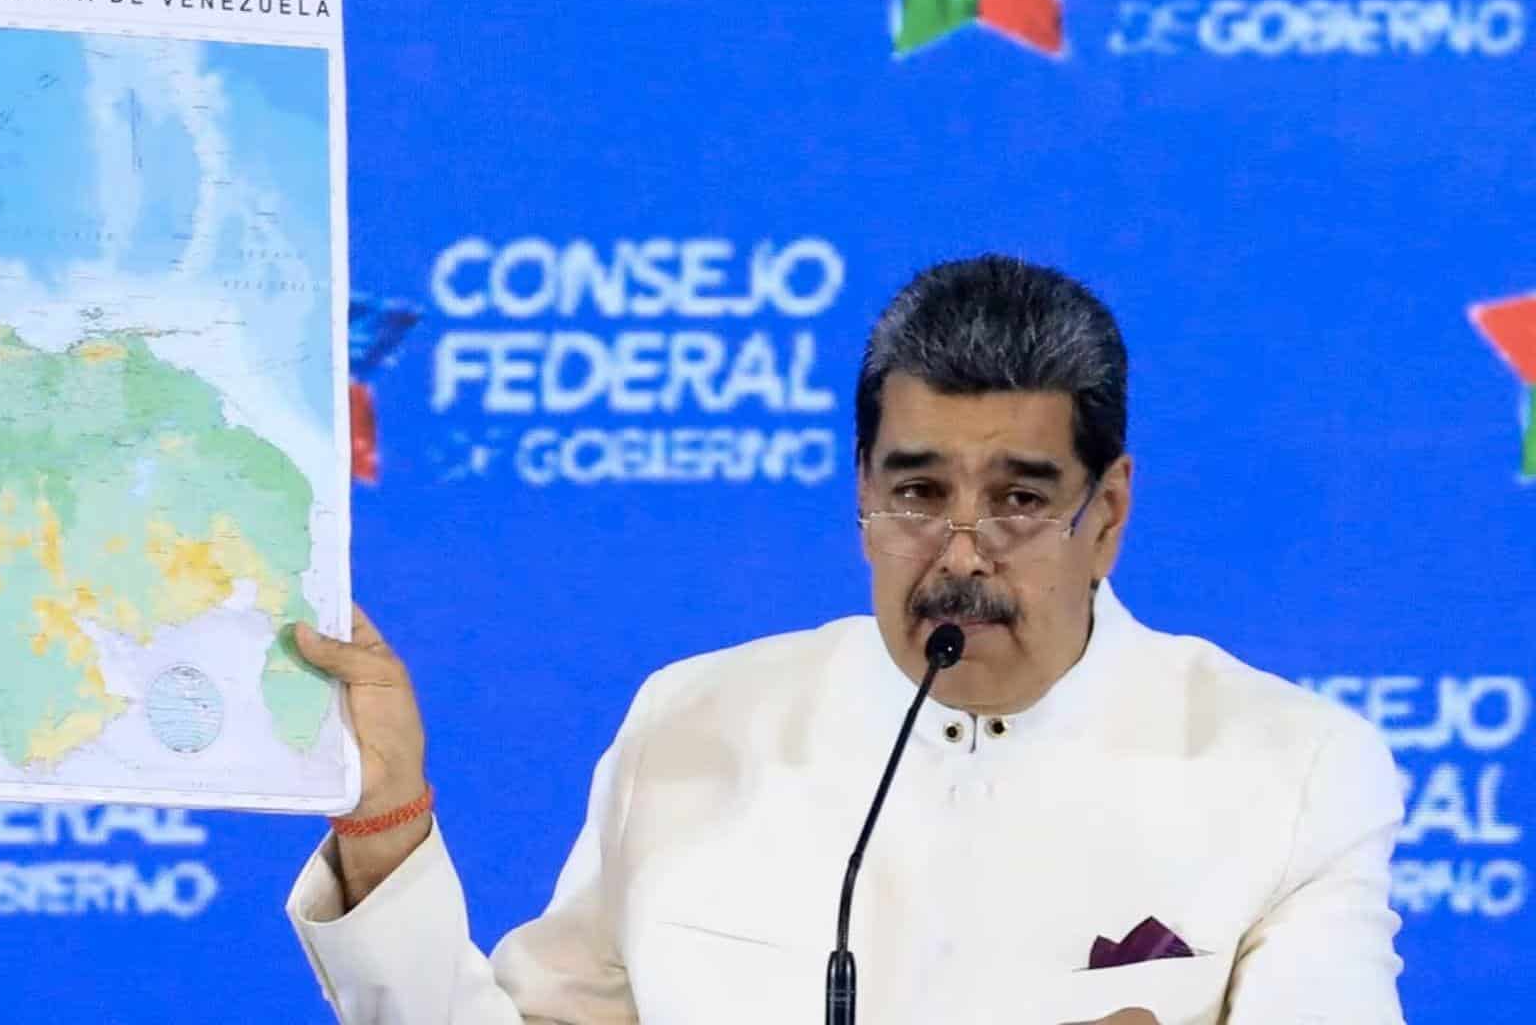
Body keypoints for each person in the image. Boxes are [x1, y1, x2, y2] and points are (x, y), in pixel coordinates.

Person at [283, 255, 1406, 1024]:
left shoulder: (1291, 768)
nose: (961, 555)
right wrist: (386, 823)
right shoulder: (694, 725)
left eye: (1019, 501)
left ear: (1105, 514)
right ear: (862, 493)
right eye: (918, 493)